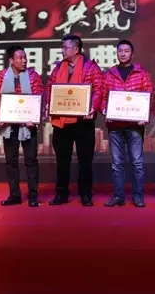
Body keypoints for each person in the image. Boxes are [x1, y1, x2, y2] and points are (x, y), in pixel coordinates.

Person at [45, 34, 104, 206]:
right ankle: (61, 194)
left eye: (65, 48)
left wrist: (92, 107)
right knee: (62, 161)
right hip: (61, 122)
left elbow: (98, 89)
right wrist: (49, 103)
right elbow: (50, 87)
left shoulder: (90, 67)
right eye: (62, 47)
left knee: (85, 161)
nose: (62, 50)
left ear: (76, 49)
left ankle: (85, 194)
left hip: (83, 122)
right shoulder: (58, 68)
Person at [0, 46, 44, 207]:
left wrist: (35, 118)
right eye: (20, 58)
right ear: (11, 60)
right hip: (9, 126)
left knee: (31, 161)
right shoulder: (1, 76)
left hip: (28, 126)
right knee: (11, 161)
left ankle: (33, 196)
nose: (24, 61)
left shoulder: (33, 76)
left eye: (25, 57)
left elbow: (39, 98)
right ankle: (14, 195)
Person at [100, 39, 153, 207]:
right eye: (120, 51)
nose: (123, 54)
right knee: (117, 164)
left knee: (137, 163)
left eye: (126, 51)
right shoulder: (109, 74)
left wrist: (144, 114)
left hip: (134, 126)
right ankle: (118, 197)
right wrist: (105, 111)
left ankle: (138, 197)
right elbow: (103, 97)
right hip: (115, 126)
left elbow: (148, 96)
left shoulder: (142, 74)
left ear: (132, 54)